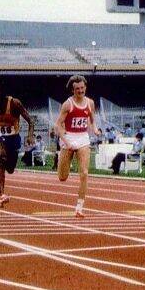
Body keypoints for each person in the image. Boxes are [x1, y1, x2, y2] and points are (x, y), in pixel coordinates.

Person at [55, 75, 102, 218]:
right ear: (73, 90)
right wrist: (66, 141)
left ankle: (79, 207)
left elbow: (93, 120)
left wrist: (94, 129)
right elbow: (58, 124)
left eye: (82, 88)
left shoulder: (90, 103)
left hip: (82, 138)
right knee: (62, 177)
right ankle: (61, 160)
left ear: (85, 87)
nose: (80, 91)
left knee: (84, 173)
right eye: (77, 89)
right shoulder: (67, 104)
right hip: (68, 137)